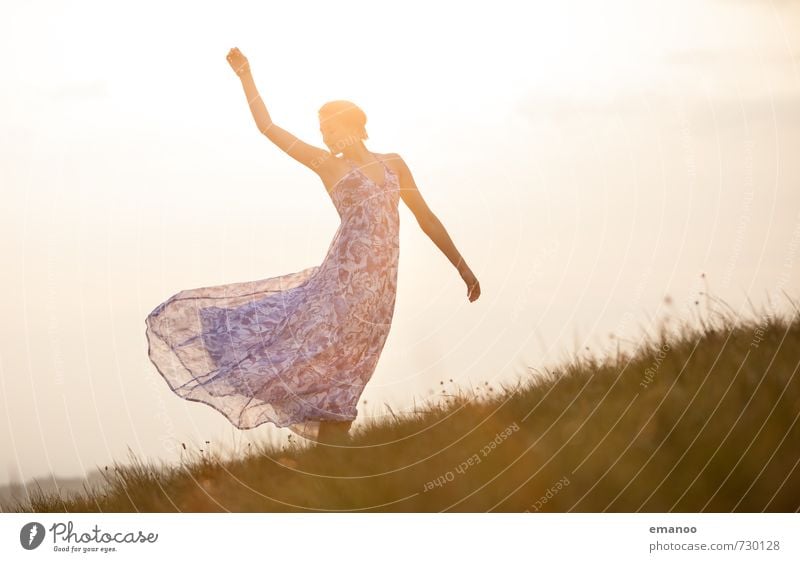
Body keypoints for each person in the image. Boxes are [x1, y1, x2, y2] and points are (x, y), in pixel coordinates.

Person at [144, 47, 480, 447]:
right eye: (320, 129)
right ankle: (332, 453)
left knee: (357, 360)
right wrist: (246, 76)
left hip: (382, 286)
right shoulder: (327, 165)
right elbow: (269, 128)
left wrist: (463, 267)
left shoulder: (394, 162)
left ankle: (334, 451)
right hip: (342, 281)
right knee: (324, 352)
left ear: (353, 124)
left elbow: (425, 217)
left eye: (328, 126)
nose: (323, 135)